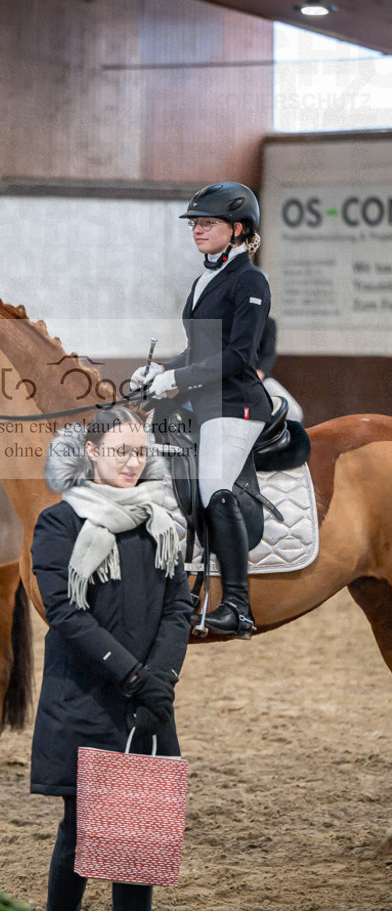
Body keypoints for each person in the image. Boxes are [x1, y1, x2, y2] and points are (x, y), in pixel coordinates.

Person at [30, 407, 193, 911]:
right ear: (94, 452)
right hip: (83, 698)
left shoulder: (161, 522)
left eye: (140, 453)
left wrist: (159, 681)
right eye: (120, 452)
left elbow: (179, 607)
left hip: (146, 700)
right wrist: (132, 674)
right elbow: (65, 611)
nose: (131, 462)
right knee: (79, 832)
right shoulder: (57, 522)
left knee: (135, 843)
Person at [131, 182, 272, 638]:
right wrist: (153, 373)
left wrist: (177, 379)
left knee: (214, 485)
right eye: (195, 223)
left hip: (236, 405)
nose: (197, 230)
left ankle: (237, 606)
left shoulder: (250, 280)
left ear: (237, 229)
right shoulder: (203, 281)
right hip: (204, 401)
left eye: (206, 223)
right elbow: (197, 352)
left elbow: (238, 357)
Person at [256, 315, 304, 423]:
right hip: (233, 380)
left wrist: (261, 371)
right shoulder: (229, 319)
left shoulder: (267, 322)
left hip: (259, 378)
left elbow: (269, 354)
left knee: (293, 413)